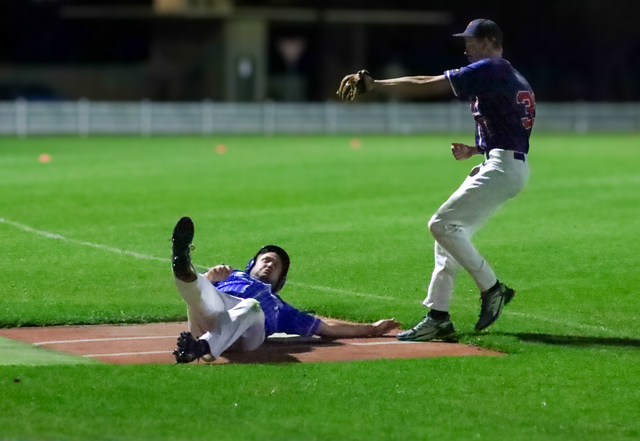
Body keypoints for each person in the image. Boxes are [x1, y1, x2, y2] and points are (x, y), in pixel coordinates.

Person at [336, 19, 535, 341]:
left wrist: (377, 85)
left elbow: (427, 83)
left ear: (488, 41)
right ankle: (438, 316)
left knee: (440, 225)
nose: (466, 47)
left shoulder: (491, 68)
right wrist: (476, 148)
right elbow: (514, 126)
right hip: (505, 163)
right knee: (448, 236)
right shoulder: (512, 75)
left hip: (503, 168)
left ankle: (493, 287)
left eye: (471, 40)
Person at [170, 216, 400, 363]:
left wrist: (372, 328)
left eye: (276, 265)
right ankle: (182, 264)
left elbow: (327, 327)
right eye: (266, 260)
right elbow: (203, 295)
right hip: (214, 312)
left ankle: (203, 346)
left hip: (247, 335)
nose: (270, 264)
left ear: (281, 279)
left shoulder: (280, 307)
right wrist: (210, 278)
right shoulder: (229, 275)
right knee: (199, 287)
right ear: (252, 265)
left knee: (251, 306)